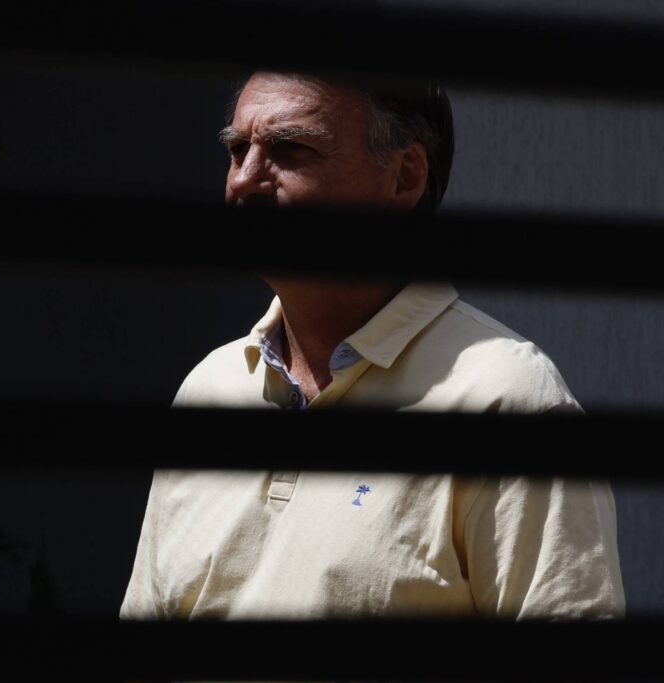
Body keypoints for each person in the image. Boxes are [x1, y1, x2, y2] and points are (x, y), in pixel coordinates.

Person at [119, 71, 625, 622]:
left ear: (404, 177)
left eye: (291, 149)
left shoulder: (506, 400)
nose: (245, 180)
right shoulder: (209, 390)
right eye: (238, 150)